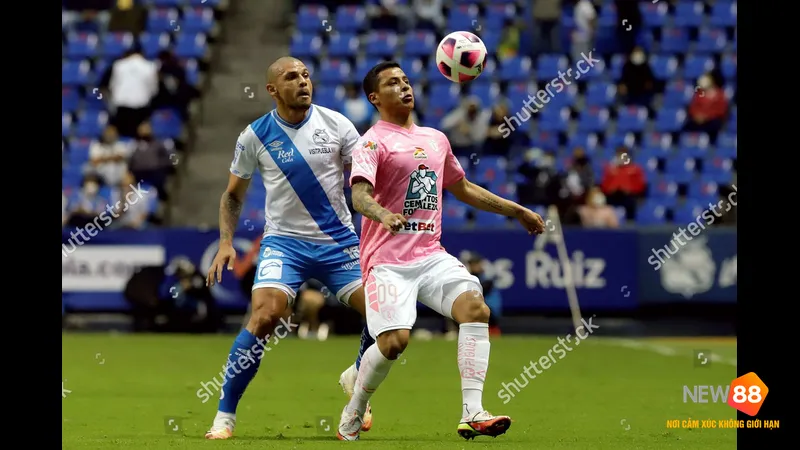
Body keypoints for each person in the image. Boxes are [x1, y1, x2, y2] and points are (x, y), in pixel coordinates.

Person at [338, 61, 545, 441]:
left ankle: (472, 411)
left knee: (475, 308)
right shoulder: (372, 141)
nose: (403, 87)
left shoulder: (435, 139)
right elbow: (359, 196)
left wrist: (516, 210)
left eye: (405, 80)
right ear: (374, 98)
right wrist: (383, 213)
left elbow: (463, 188)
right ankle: (354, 408)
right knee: (393, 343)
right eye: (391, 83)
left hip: (430, 256)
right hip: (387, 261)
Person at [202, 57, 376, 440]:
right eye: (291, 77)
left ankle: (356, 384)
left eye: (306, 75)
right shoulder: (255, 135)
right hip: (284, 242)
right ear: (272, 90)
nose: (302, 81)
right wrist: (226, 241)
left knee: (384, 316)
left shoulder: (338, 125)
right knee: (265, 315)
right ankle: (224, 417)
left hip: (339, 241)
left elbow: (365, 182)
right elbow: (233, 196)